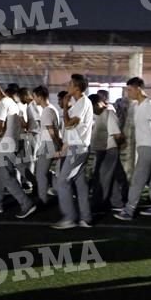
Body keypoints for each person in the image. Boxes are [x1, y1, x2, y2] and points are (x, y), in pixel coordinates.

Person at [0, 81, 36, 217]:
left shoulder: (2, 103)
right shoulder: (12, 103)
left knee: (7, 177)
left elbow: (0, 126)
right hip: (12, 144)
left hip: (5, 146)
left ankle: (26, 203)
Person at [114, 77, 151, 220]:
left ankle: (129, 210)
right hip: (144, 145)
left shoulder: (150, 105)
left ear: (138, 89)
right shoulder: (136, 106)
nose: (127, 93)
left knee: (138, 179)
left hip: (149, 146)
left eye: (129, 90)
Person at [53, 74, 94, 229]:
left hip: (78, 148)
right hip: (77, 147)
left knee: (62, 182)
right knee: (80, 184)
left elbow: (69, 124)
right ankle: (86, 218)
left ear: (77, 87)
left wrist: (64, 106)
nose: (67, 86)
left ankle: (69, 218)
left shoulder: (83, 103)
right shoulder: (79, 103)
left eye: (70, 84)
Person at [89, 93, 126, 212]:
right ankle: (117, 202)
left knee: (102, 178)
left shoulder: (109, 113)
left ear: (98, 104)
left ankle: (99, 203)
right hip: (103, 150)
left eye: (92, 107)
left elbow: (117, 135)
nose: (91, 110)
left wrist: (115, 148)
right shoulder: (100, 114)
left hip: (109, 150)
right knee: (112, 177)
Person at [33, 86, 61, 205]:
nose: (34, 100)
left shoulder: (47, 111)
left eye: (35, 97)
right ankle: (60, 189)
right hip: (50, 143)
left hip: (48, 144)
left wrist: (57, 144)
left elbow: (51, 131)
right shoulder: (51, 109)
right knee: (44, 171)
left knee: (40, 173)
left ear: (40, 97)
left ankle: (43, 199)